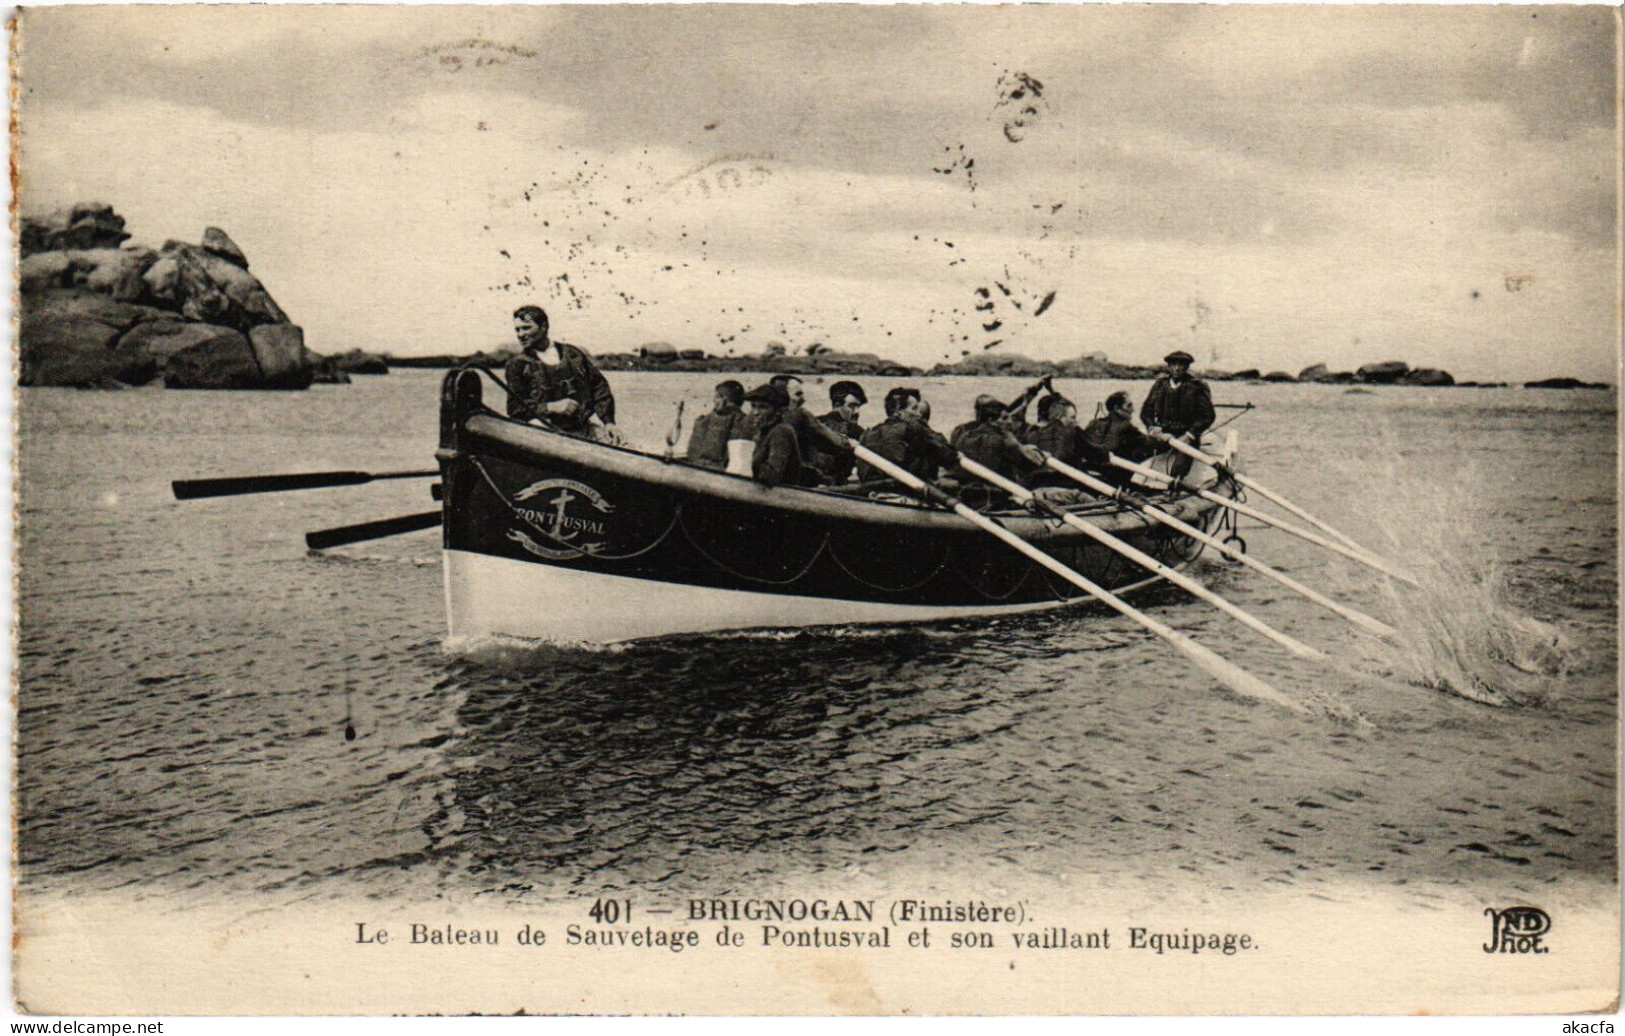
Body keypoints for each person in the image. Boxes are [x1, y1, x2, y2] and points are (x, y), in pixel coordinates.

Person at [503, 305, 620, 442]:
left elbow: (598, 386)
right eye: (517, 329)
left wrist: (609, 422)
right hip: (542, 431)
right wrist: (551, 407)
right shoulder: (517, 365)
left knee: (619, 444)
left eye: (526, 328)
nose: (520, 334)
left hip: (581, 428)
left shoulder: (572, 355)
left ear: (544, 326)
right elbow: (515, 409)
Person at [857, 387, 956, 485]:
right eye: (914, 408)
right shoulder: (913, 429)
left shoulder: (869, 433)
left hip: (871, 489)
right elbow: (949, 456)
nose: (919, 414)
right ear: (899, 411)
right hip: (906, 491)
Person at [768, 373, 852, 486]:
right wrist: (851, 443)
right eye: (798, 394)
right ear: (782, 396)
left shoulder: (759, 416)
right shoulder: (800, 414)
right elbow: (834, 440)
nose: (803, 399)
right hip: (800, 477)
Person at [1142, 350, 1214, 478]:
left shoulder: (1196, 387)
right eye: (1173, 364)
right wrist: (1152, 427)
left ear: (1187, 367)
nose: (1177, 368)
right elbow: (1146, 411)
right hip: (1163, 434)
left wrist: (1189, 435)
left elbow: (1207, 416)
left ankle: (1174, 490)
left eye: (1181, 365)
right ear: (1168, 366)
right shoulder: (1160, 385)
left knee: (1179, 467)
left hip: (1185, 436)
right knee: (1138, 450)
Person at [950, 394, 1044, 484]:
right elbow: (1030, 465)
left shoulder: (963, 434)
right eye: (1005, 418)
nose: (1010, 422)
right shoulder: (1001, 441)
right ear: (990, 420)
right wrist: (1018, 446)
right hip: (994, 491)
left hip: (964, 485)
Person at [1082, 390, 1162, 488]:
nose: (1133, 410)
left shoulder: (1093, 423)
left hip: (1091, 475)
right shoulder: (1125, 427)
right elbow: (1152, 444)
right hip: (1115, 479)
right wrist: (1165, 438)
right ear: (1116, 408)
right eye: (1129, 406)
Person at [744, 383, 802, 487]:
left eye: (762, 407)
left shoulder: (781, 431)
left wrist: (745, 464)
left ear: (777, 411)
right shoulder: (762, 431)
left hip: (782, 494)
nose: (755, 412)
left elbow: (773, 475)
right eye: (753, 406)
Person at [685, 380, 750, 469]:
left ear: (723, 399)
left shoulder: (705, 420)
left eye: (716, 397)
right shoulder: (746, 421)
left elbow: (693, 454)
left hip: (704, 468)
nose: (714, 401)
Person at [811, 380, 867, 484]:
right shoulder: (855, 431)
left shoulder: (814, 423)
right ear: (837, 405)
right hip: (836, 487)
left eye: (859, 406)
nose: (857, 412)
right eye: (852, 406)